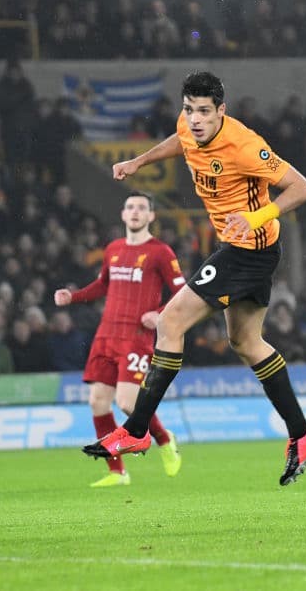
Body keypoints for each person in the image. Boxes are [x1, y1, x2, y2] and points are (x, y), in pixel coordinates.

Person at [83, 72, 306, 486]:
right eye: (189, 109)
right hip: (252, 251)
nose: (194, 120)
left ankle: (138, 430)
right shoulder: (188, 125)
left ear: (221, 111)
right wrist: (140, 161)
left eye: (203, 112)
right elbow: (181, 142)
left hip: (249, 250)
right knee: (246, 342)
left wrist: (254, 217)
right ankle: (303, 432)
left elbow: (302, 188)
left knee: (170, 321)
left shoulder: (245, 145)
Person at [55, 192, 187, 487]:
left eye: (142, 208)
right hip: (106, 334)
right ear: (123, 214)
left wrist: (159, 314)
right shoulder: (113, 248)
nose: (135, 212)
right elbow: (103, 284)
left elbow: (183, 292)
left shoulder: (161, 252)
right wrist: (73, 297)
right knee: (97, 402)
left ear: (152, 216)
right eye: (130, 207)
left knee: (127, 403)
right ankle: (118, 472)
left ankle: (165, 439)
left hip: (136, 337)